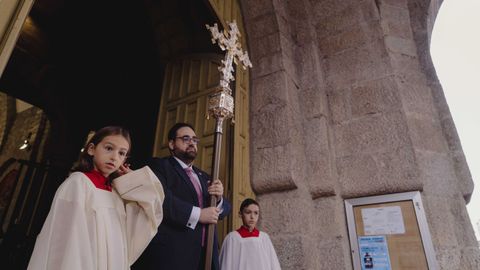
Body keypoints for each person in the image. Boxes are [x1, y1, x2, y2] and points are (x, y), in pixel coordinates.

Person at [27, 126, 165, 270]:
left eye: (122, 153)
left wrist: (134, 180)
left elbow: (151, 212)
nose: (114, 157)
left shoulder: (117, 193)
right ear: (91, 149)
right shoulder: (78, 183)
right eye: (109, 148)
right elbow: (67, 239)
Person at [133, 122, 231, 270]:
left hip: (206, 254)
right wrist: (199, 215)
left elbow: (226, 209)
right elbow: (161, 200)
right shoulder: (159, 166)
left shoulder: (204, 176)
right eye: (186, 139)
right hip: (174, 254)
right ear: (172, 144)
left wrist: (219, 198)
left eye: (194, 140)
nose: (192, 143)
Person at [219, 198, 281, 270]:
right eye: (248, 212)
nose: (252, 217)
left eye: (256, 213)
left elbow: (273, 264)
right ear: (240, 214)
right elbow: (226, 265)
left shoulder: (264, 238)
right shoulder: (232, 238)